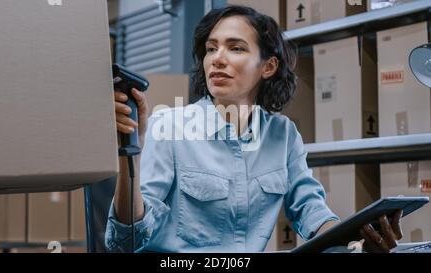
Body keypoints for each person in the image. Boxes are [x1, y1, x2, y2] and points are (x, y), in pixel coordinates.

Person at [105, 5, 403, 253]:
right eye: (211, 49)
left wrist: (355, 242)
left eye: (235, 48)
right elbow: (124, 242)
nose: (217, 59)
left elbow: (312, 212)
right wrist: (130, 151)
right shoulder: (167, 127)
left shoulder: (282, 135)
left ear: (268, 66)